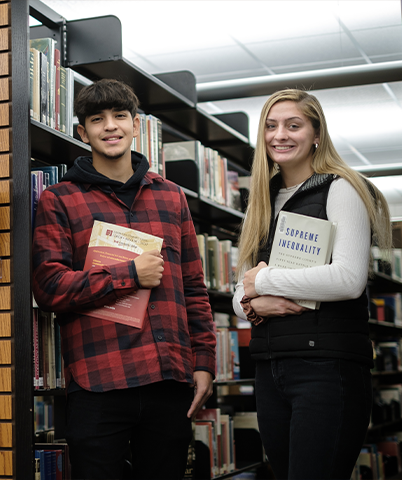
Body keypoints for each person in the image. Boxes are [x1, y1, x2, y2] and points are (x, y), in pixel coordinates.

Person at [32, 78, 216, 480]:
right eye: (97, 119)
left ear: (136, 125)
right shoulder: (59, 200)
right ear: (83, 132)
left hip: (169, 378)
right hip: (100, 381)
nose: (110, 126)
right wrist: (128, 274)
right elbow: (48, 286)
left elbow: (193, 289)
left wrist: (204, 362)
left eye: (119, 116)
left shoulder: (171, 197)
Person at [232, 88, 392, 479]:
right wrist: (253, 304)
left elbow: (348, 279)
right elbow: (239, 294)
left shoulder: (341, 188)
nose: (279, 135)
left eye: (293, 125)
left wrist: (264, 281)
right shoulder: (262, 200)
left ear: (317, 133)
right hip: (270, 369)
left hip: (327, 367)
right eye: (271, 126)